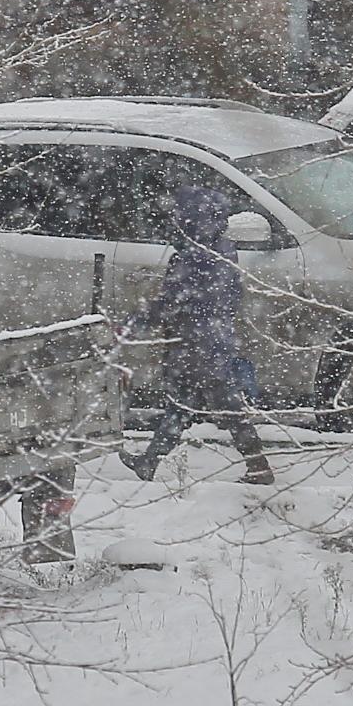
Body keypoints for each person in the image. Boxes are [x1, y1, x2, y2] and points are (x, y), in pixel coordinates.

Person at [123, 186, 279, 485]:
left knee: (219, 407)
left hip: (197, 343)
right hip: (215, 340)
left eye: (179, 218)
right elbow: (231, 295)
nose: (174, 223)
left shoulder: (194, 256)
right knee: (184, 405)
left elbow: (171, 302)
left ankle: (259, 468)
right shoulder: (222, 248)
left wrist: (134, 324)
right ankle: (150, 460)